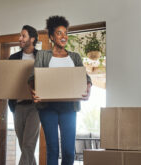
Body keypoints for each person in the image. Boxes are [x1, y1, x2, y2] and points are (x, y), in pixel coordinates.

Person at [28, 16, 92, 165]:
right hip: (47, 107)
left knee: (69, 151)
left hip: (69, 107)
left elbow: (86, 78)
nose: (64, 37)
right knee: (52, 149)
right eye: (59, 33)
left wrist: (88, 89)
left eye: (65, 33)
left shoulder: (74, 57)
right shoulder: (43, 55)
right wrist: (33, 92)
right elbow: (32, 78)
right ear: (51, 36)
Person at [8, 25, 40, 165]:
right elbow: (8, 81)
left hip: (35, 107)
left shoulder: (41, 57)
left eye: (23, 36)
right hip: (18, 106)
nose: (20, 38)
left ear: (32, 39)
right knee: (25, 147)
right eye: (20, 36)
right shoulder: (13, 58)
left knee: (28, 145)